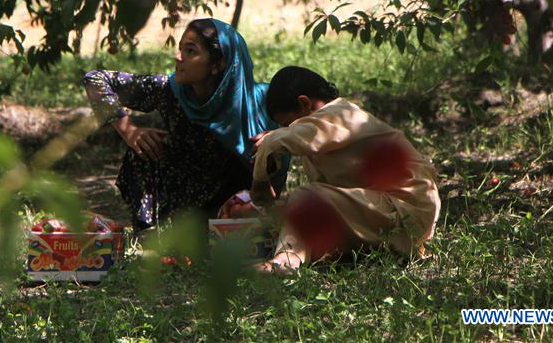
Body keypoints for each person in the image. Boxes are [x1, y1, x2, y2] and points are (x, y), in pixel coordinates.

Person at [221, 66, 440, 271]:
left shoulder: (339, 115)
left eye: (287, 124)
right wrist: (260, 212)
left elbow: (281, 143)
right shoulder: (320, 139)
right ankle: (290, 257)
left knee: (307, 196)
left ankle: (285, 262)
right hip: (390, 214)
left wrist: (260, 183)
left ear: (305, 104)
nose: (286, 130)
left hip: (407, 213)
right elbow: (323, 208)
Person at [82, 18, 280, 233]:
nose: (178, 57)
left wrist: (277, 137)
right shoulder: (170, 90)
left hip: (233, 200)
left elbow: (303, 117)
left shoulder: (259, 101)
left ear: (217, 64)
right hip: (183, 195)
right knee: (143, 150)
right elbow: (95, 79)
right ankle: (149, 231)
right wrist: (128, 130)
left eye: (190, 51)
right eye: (180, 49)